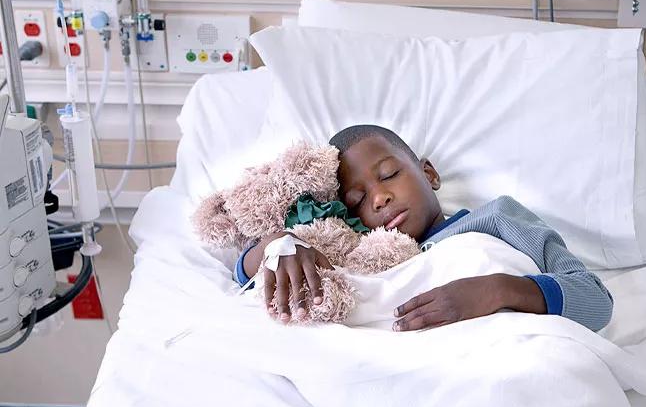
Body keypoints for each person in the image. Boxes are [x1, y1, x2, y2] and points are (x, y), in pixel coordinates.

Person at [235, 125, 613, 332]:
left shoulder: (495, 218)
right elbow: (241, 273)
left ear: (428, 173)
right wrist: (278, 243)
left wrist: (497, 289)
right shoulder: (357, 251)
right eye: (356, 201)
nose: (379, 198)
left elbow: (595, 301)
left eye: (389, 175)